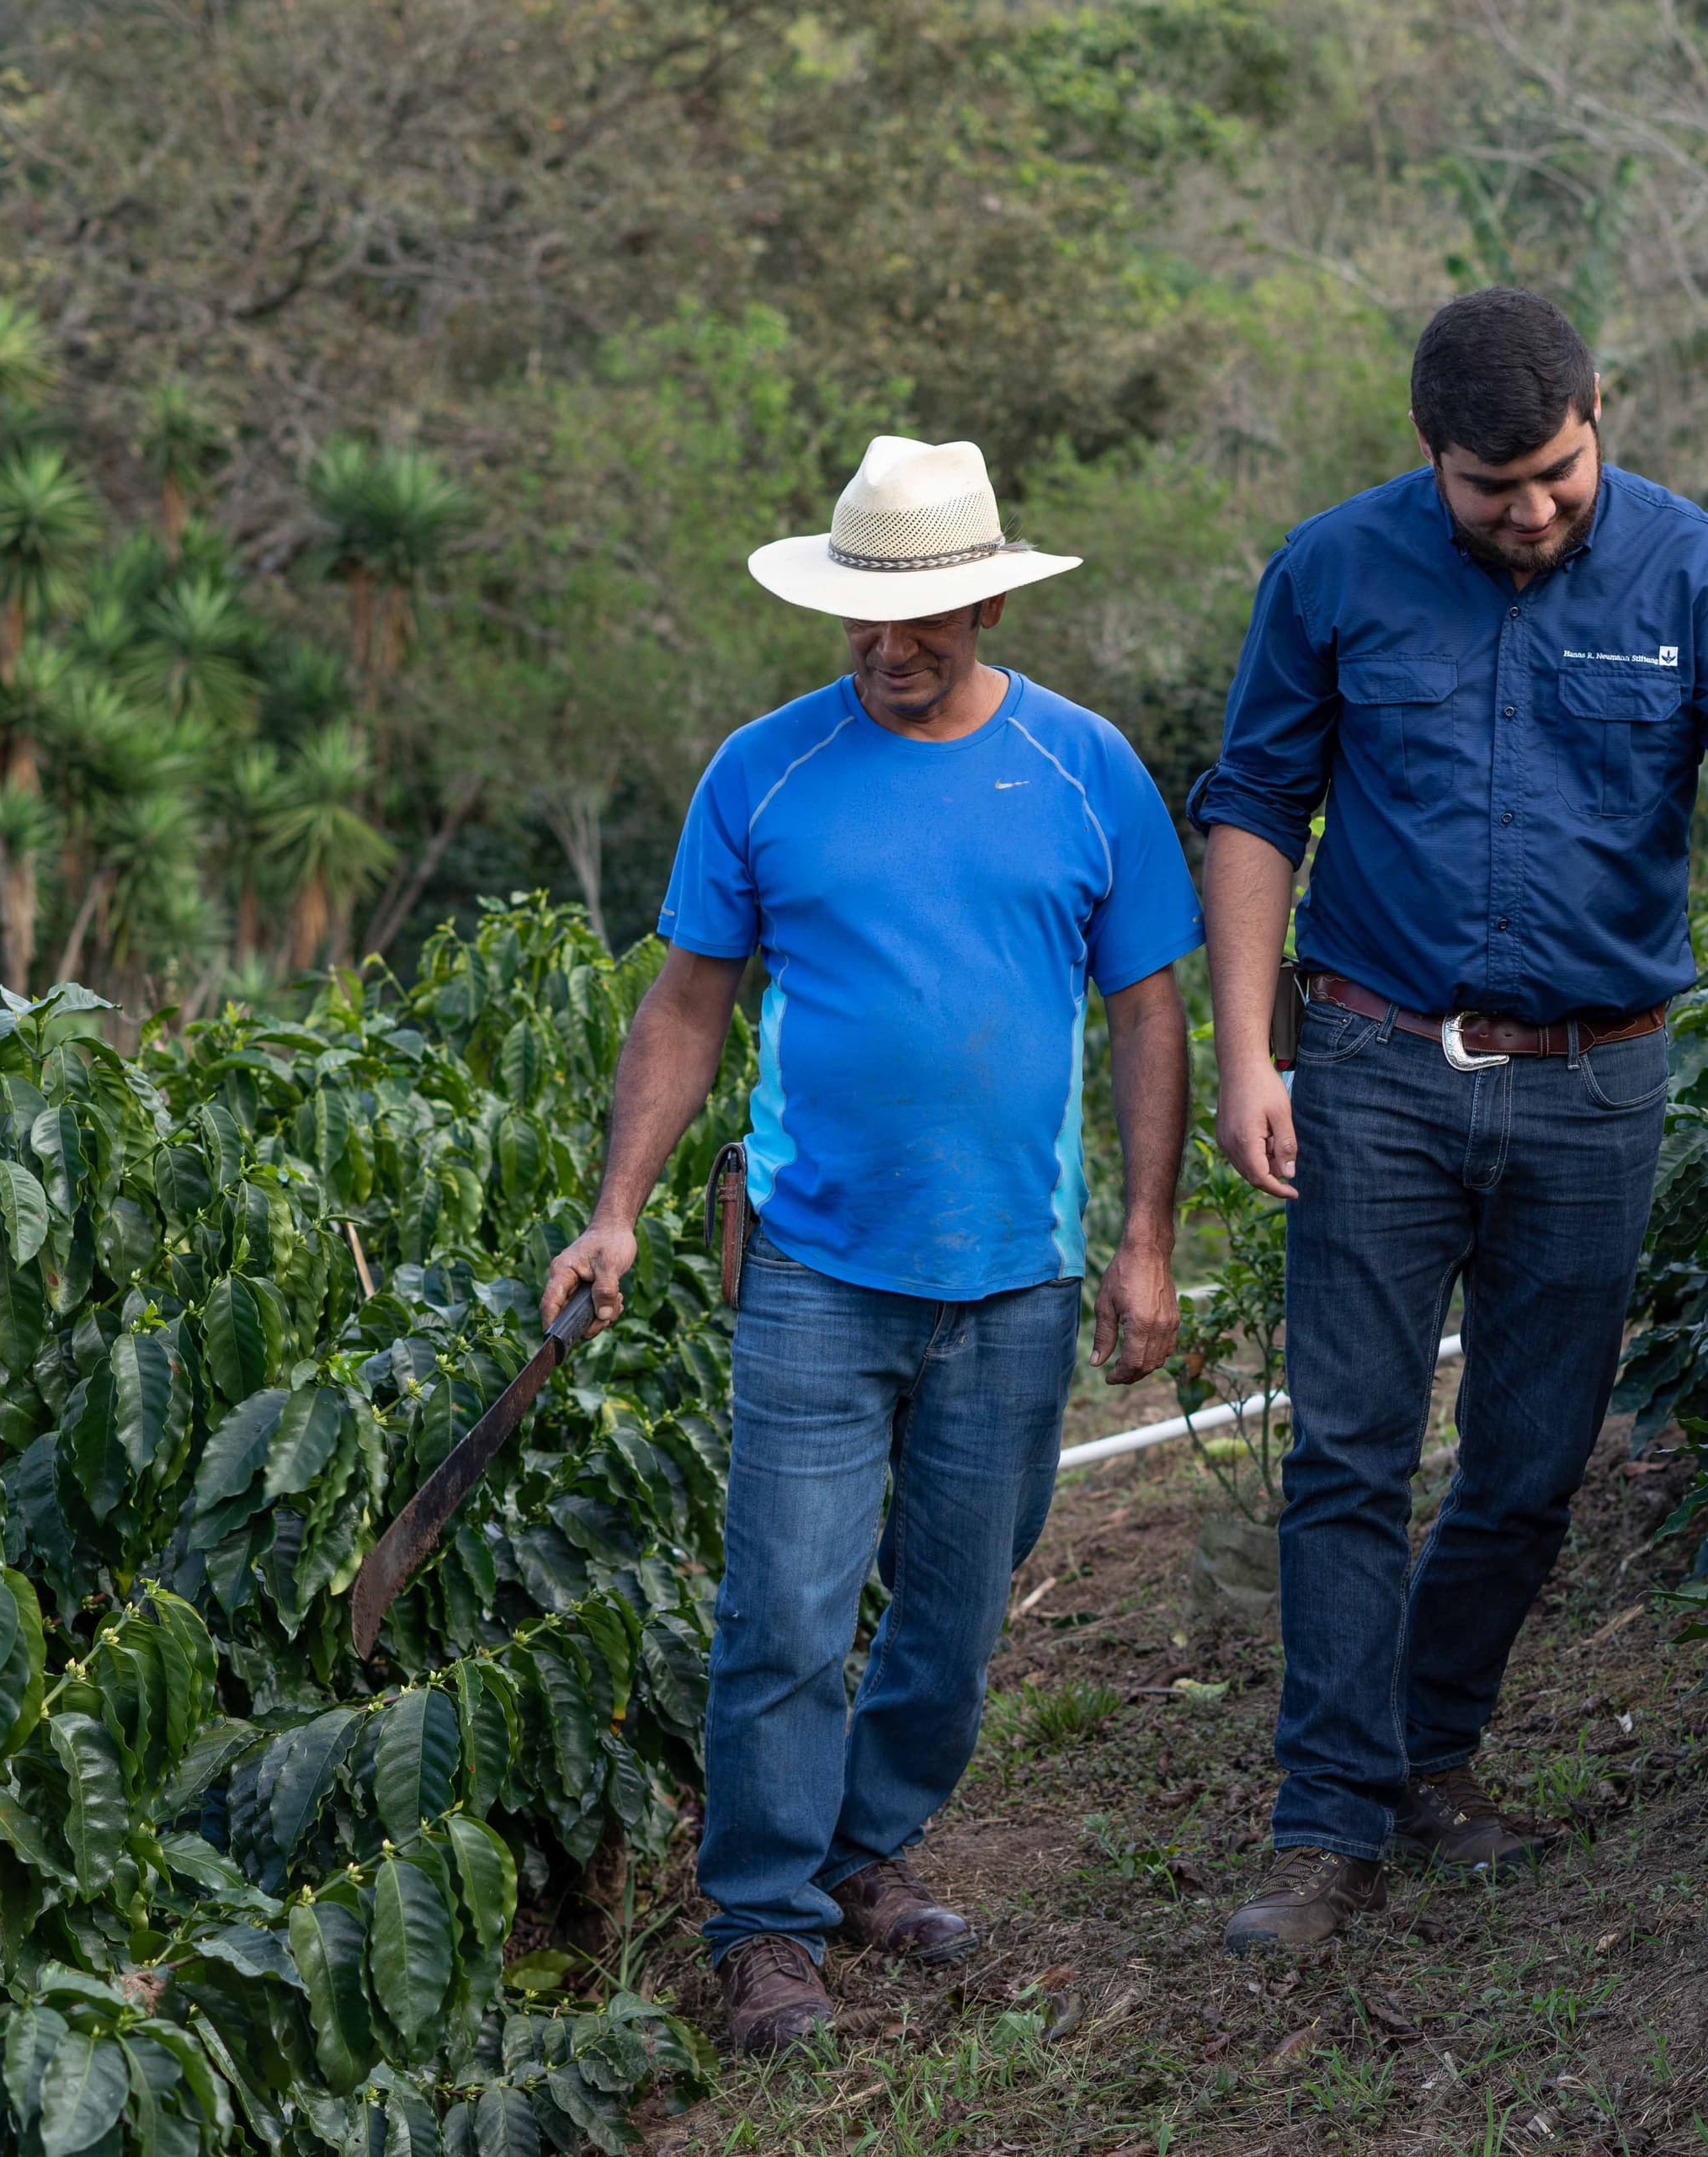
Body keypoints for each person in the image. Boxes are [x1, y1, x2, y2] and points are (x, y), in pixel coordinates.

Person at [1189, 289, 1708, 1954]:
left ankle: (1423, 1755)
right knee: (1354, 1452)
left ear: (1602, 411)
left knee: (1526, 1468)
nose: (1527, 513)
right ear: (1427, 456)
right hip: (1375, 1067)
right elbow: (1253, 809)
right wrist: (1252, 1057)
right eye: (1488, 486)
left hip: (1599, 1082)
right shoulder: (1331, 572)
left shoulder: (1701, 572)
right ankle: (1325, 1827)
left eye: (1557, 476)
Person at [541, 435, 1200, 2049]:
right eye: (863, 624)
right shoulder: (762, 772)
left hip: (1020, 1271)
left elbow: (1148, 1008)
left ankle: (862, 1851)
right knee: (785, 1600)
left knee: (960, 1601)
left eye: (923, 622)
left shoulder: (1083, 768)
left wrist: (1145, 1239)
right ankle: (762, 1920)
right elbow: (689, 1001)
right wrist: (616, 1213)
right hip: (818, 1264)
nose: (891, 653)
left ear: (985, 597)